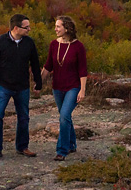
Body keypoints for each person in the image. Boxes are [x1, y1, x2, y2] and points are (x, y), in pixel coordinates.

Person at [0, 13, 42, 159]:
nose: (29, 29)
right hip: (3, 86)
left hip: (22, 87)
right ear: (16, 28)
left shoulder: (29, 43)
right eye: (26, 27)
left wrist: (38, 82)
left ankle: (22, 146)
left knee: (24, 117)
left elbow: (35, 64)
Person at [42, 15, 88, 161]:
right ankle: (72, 143)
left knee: (64, 116)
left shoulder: (78, 46)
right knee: (66, 117)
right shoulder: (53, 45)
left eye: (58, 26)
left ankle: (62, 150)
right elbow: (48, 65)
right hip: (57, 88)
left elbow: (83, 70)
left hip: (73, 87)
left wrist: (82, 90)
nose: (55, 29)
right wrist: (38, 82)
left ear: (66, 28)